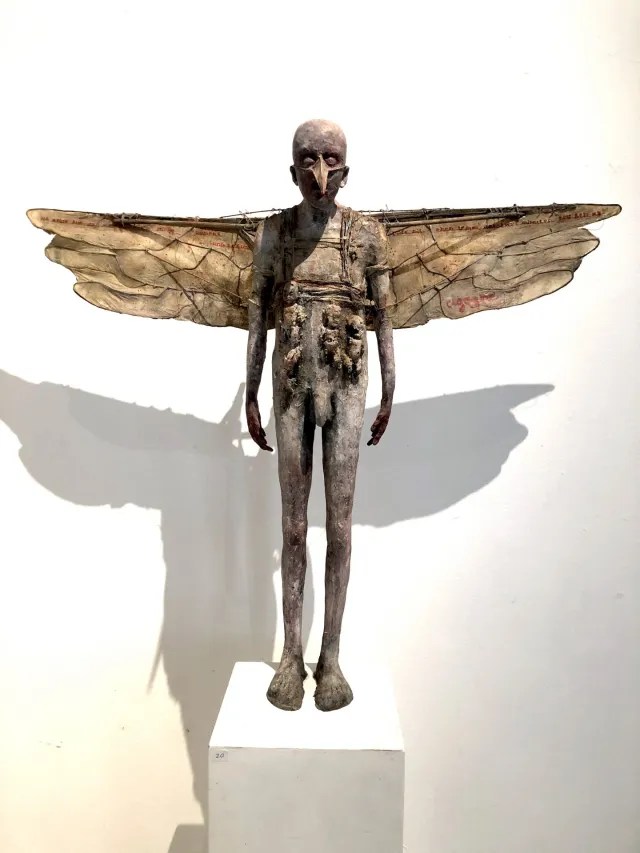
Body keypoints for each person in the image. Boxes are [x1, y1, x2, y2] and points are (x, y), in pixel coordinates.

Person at [245, 119, 395, 711]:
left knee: (339, 526)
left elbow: (385, 315)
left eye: (330, 158)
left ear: (346, 170)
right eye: (308, 159)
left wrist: (391, 384)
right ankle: (291, 655)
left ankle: (330, 657)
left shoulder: (368, 235)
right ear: (292, 170)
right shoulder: (274, 233)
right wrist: (250, 391)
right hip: (289, 385)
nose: (319, 171)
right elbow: (258, 316)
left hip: (348, 382)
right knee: (291, 525)